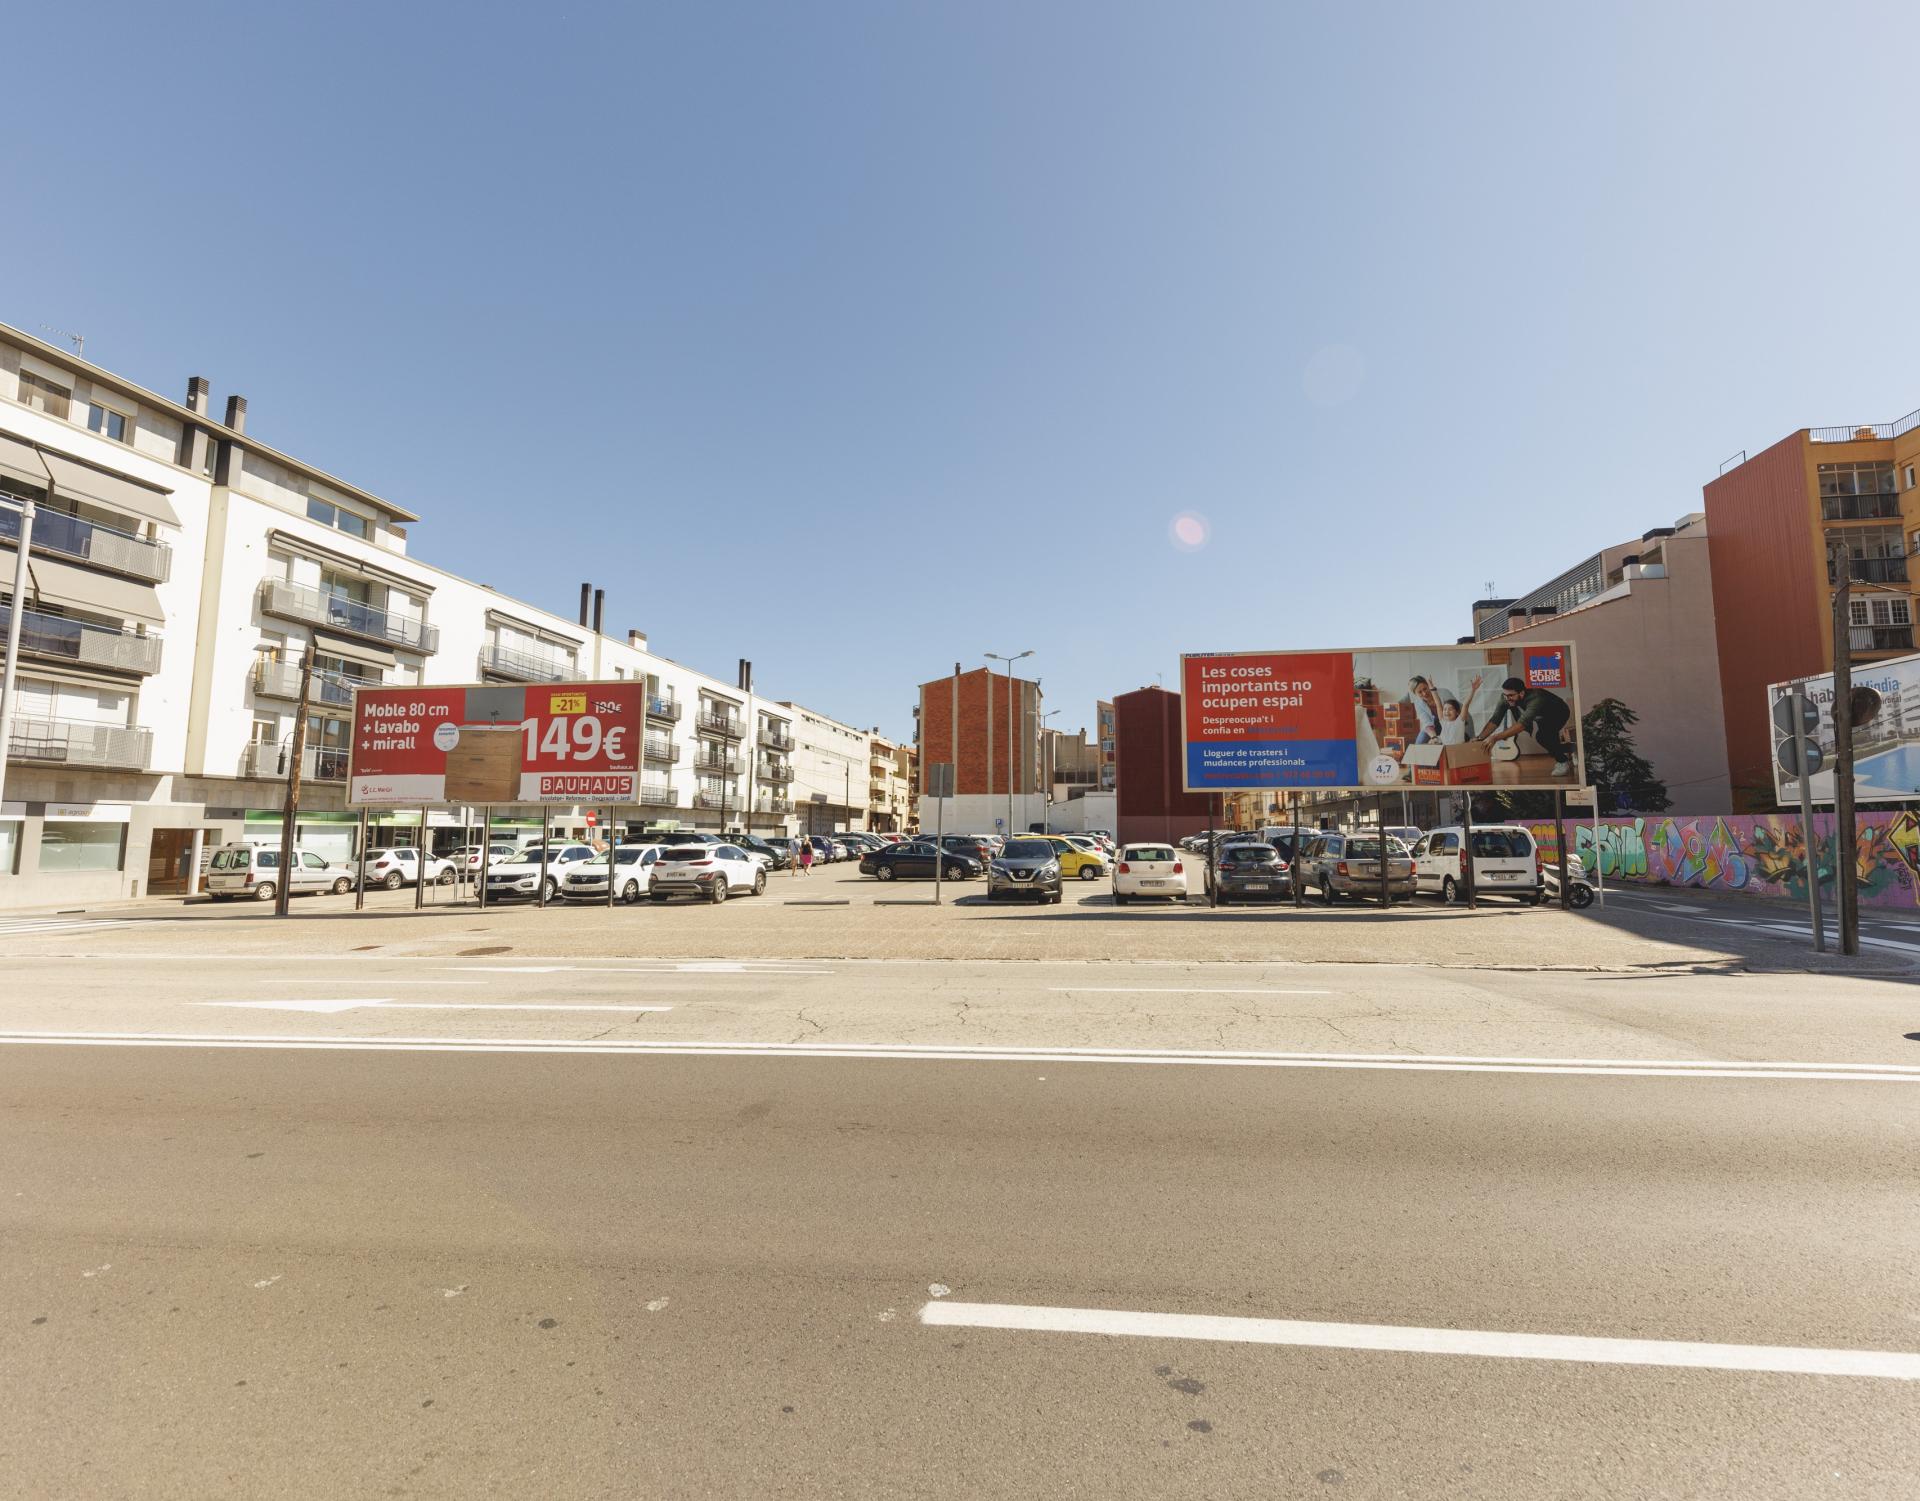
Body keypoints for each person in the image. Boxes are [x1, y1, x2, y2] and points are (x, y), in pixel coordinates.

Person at [1477, 676, 1574, 776]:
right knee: (1550, 739)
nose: (1507, 698)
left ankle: (1563, 761)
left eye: (1510, 695)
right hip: (1540, 716)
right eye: (1505, 695)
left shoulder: (1536, 698)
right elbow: (1495, 719)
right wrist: (1480, 738)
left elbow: (1522, 725)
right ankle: (1569, 753)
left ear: (1522, 693)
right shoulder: (1506, 698)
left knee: (1543, 737)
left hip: (1559, 712)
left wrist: (1495, 737)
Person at [1407, 677, 1442, 745]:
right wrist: (1434, 737)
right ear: (1415, 694)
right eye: (1420, 692)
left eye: (1425, 689)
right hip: (1433, 725)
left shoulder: (1443, 693)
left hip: (1450, 723)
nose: (1424, 693)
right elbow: (1426, 722)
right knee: (1419, 743)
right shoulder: (1418, 703)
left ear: (1428, 686)